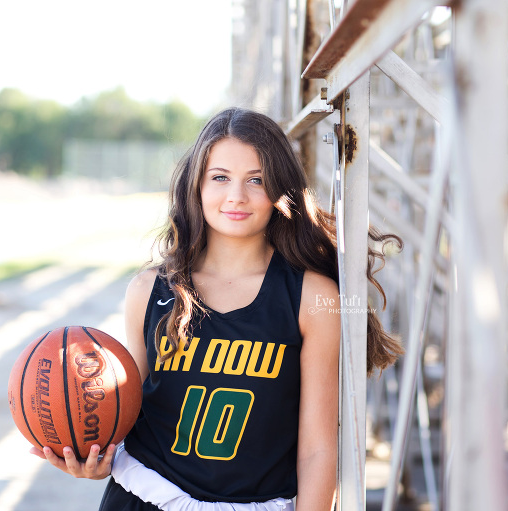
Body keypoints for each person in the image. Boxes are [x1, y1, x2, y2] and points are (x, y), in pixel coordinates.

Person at [30, 107, 403, 510]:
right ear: (197, 186)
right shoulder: (149, 290)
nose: (236, 196)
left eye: (256, 180)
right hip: (144, 495)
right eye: (220, 178)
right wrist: (97, 456)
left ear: (282, 188)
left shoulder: (313, 297)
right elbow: (123, 414)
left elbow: (317, 448)